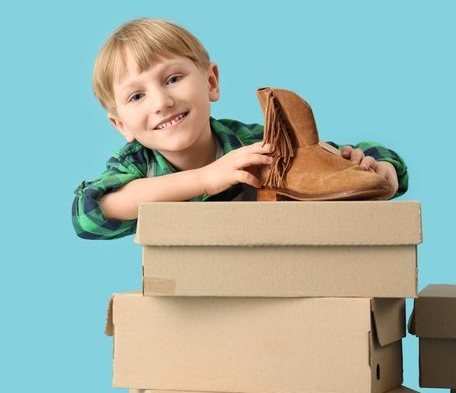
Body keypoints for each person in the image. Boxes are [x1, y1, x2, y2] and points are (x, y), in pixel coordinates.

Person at [72, 18, 408, 240]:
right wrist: (205, 178)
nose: (161, 102)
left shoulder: (254, 144)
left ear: (211, 82)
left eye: (173, 79)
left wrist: (381, 168)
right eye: (137, 96)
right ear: (121, 125)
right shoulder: (134, 166)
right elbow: (88, 216)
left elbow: (340, 155)